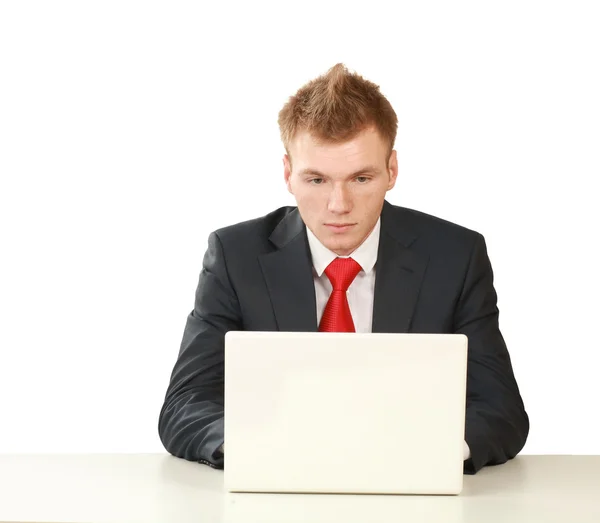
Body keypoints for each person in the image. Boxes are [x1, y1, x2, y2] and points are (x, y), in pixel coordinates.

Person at [158, 63, 529, 474]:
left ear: (392, 171)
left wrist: (428, 455)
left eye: (361, 178)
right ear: (287, 174)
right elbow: (185, 404)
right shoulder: (235, 255)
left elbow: (501, 410)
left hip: (410, 487)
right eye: (316, 180)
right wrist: (261, 451)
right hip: (275, 487)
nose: (339, 205)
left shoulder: (456, 256)